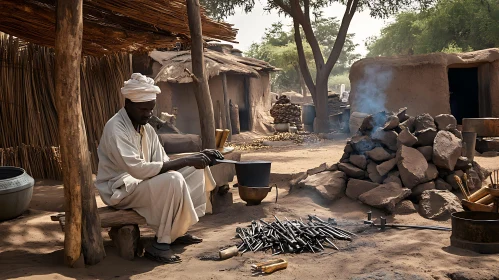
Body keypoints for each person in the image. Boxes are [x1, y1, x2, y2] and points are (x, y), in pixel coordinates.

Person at [95, 73, 224, 263]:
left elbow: (162, 161)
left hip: (142, 182)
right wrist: (187, 160)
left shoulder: (145, 127)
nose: (148, 114)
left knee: (196, 170)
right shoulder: (116, 129)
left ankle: (178, 231)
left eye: (151, 109)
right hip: (120, 190)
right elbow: (138, 170)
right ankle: (160, 245)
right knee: (174, 179)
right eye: (143, 109)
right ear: (128, 103)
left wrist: (199, 157)